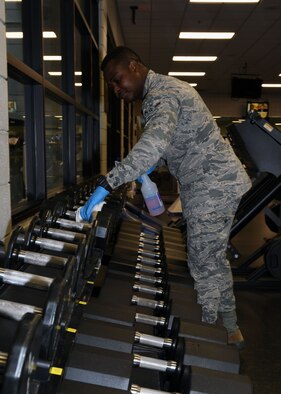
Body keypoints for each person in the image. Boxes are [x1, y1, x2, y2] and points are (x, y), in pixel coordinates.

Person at [78, 46, 252, 349]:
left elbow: (153, 144)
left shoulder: (162, 95)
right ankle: (231, 327)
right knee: (212, 258)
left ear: (134, 66)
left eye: (118, 80)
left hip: (213, 186)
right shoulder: (165, 91)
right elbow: (166, 148)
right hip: (212, 183)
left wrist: (109, 182)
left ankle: (211, 342)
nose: (117, 89)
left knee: (204, 261)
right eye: (112, 86)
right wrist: (145, 167)